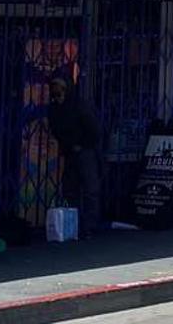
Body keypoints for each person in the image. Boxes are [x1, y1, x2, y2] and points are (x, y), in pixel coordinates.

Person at [47, 77, 104, 238]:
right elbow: (56, 128)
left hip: (85, 151)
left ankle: (89, 226)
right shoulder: (55, 108)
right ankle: (73, 225)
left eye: (60, 90)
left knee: (90, 189)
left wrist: (82, 144)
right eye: (55, 91)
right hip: (70, 152)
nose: (57, 95)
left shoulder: (79, 106)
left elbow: (95, 130)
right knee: (70, 189)